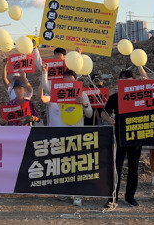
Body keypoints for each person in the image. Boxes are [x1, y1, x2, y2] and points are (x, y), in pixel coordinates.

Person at [40, 65, 92, 207]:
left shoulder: (83, 94)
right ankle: (65, 191)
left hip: (77, 134)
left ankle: (78, 195)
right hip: (63, 133)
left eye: (71, 81)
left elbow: (90, 114)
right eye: (65, 80)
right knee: (64, 164)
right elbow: (47, 89)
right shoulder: (59, 92)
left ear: (76, 81)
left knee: (78, 165)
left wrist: (84, 104)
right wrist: (44, 73)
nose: (68, 83)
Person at [100, 69, 142, 209]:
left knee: (133, 169)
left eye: (128, 82)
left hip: (135, 138)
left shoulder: (139, 96)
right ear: (119, 82)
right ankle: (112, 198)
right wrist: (109, 120)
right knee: (115, 169)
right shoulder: (114, 97)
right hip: (118, 139)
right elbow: (102, 113)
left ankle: (130, 197)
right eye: (122, 81)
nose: (125, 84)